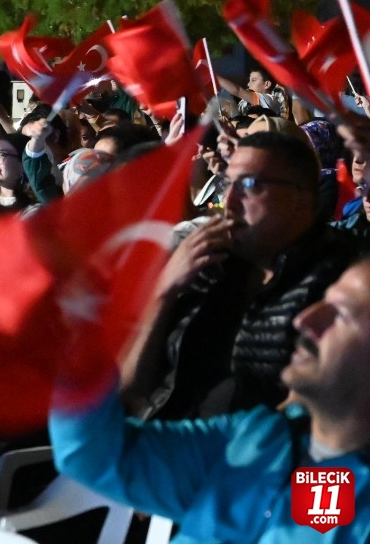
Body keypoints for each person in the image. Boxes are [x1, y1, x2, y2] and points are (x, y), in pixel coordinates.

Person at [51, 256, 370, 544]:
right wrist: (80, 348)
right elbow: (94, 454)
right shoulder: (255, 440)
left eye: (341, 314)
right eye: (323, 302)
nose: (305, 320)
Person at [120, 132, 361, 420]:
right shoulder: (207, 260)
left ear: (300, 199)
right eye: (227, 183)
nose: (229, 201)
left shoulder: (345, 278)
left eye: (249, 185)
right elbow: (130, 389)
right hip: (161, 436)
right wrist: (164, 293)